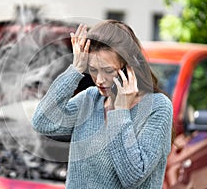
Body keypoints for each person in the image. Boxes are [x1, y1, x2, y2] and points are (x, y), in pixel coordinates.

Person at [31, 19, 173, 188]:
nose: (99, 80)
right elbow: (42, 121)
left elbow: (133, 176)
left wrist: (120, 111)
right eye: (92, 69)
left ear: (130, 67)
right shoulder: (90, 100)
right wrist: (75, 70)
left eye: (108, 71)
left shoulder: (157, 108)